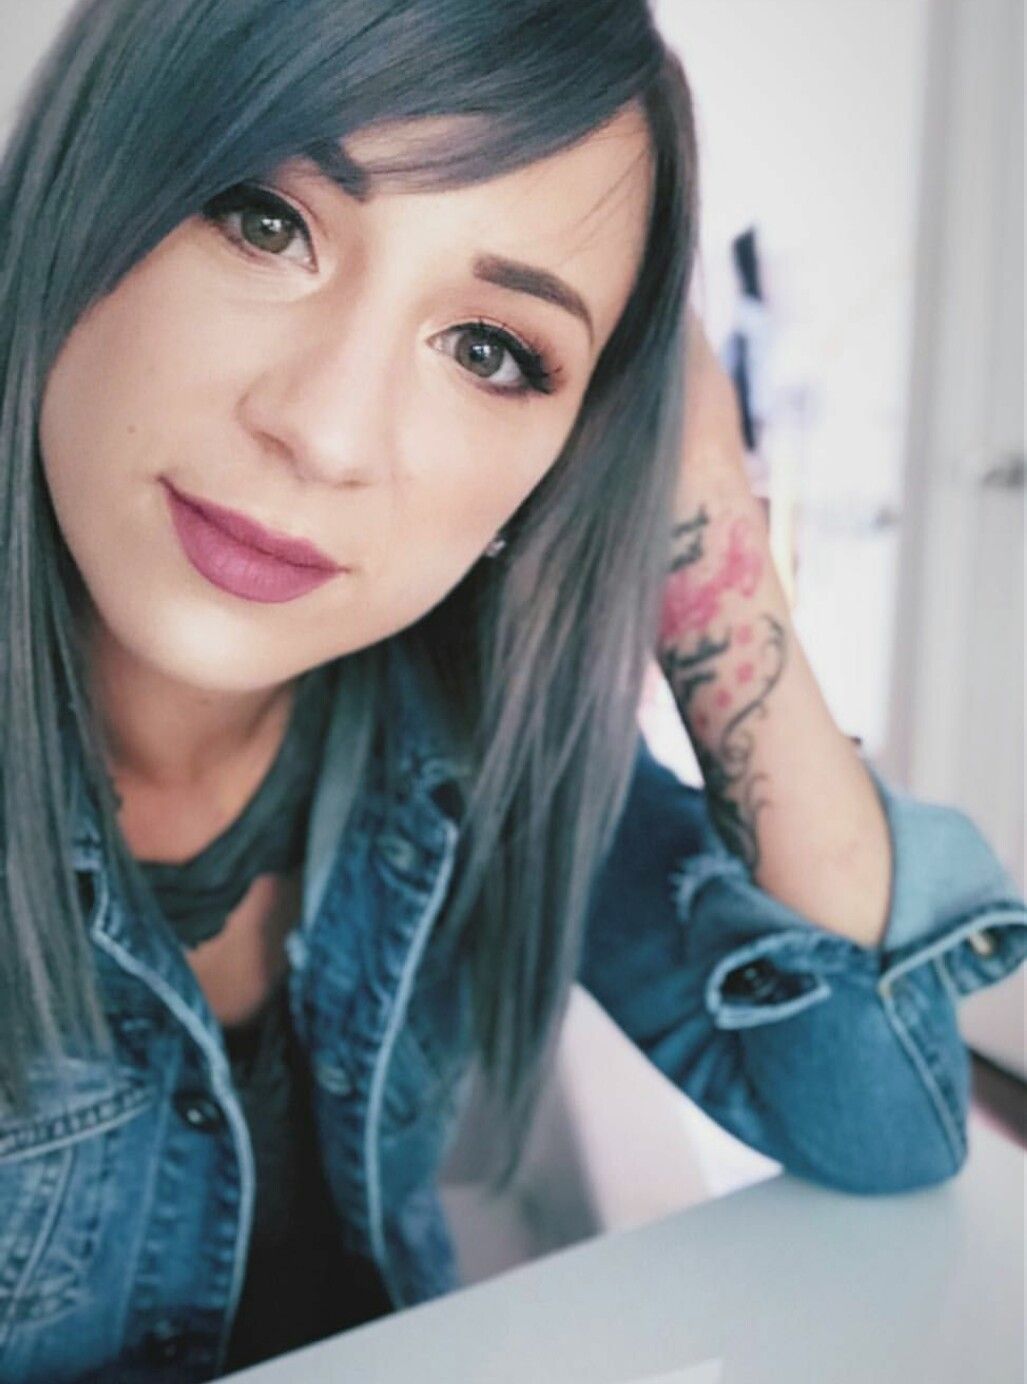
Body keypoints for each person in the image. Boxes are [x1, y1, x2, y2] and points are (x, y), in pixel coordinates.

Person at [0, 1, 1023, 1379]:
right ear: (82, 187)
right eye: (263, 219)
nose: (327, 433)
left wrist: (696, 476)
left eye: (491, 350)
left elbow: (884, 1117)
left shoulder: (473, 738)